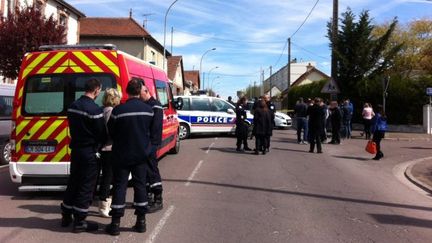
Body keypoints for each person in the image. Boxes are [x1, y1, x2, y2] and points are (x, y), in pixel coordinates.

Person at [105, 79, 154, 235]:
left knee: (120, 186)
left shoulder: (118, 111)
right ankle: (141, 222)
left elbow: (111, 132)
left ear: (126, 91)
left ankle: (115, 224)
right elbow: (151, 132)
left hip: (121, 154)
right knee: (140, 186)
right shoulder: (148, 110)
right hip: (141, 155)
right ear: (139, 91)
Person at [61, 78, 106, 233]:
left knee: (73, 182)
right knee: (86, 186)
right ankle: (80, 221)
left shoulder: (73, 106)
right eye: (99, 90)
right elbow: (102, 133)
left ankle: (66, 216)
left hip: (76, 151)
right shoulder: (95, 110)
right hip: (89, 153)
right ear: (96, 90)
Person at [140, 84, 164, 213]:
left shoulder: (155, 105)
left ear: (146, 91)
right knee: (146, 172)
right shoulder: (147, 105)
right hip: (145, 144)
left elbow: (155, 128)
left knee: (152, 170)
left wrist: (151, 145)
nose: (139, 96)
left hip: (151, 144)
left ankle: (158, 199)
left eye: (140, 94)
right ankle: (147, 197)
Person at [98, 88, 122, 218]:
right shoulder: (111, 112)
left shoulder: (102, 110)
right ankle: (104, 206)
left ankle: (104, 204)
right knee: (109, 178)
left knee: (107, 177)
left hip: (104, 149)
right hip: (110, 148)